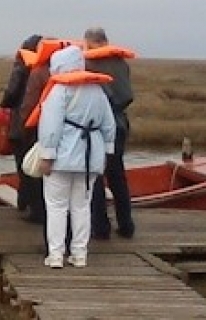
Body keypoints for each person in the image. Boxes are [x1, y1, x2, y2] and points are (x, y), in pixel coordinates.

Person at [29, 44, 115, 268]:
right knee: (81, 207)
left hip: (62, 158)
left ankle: (56, 254)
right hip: (90, 159)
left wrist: (47, 155)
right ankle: (80, 254)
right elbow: (109, 125)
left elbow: (50, 127)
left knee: (56, 206)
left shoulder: (59, 90)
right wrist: (106, 152)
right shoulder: (98, 90)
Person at [83, 27, 137, 239]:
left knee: (95, 176)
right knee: (117, 176)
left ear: (94, 42)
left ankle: (101, 227)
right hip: (121, 125)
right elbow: (126, 96)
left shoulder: (92, 63)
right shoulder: (121, 63)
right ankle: (126, 225)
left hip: (100, 126)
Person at [17, 37, 72, 224]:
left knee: (36, 171)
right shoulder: (75, 76)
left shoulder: (38, 72)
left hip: (40, 128)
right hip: (70, 133)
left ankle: (38, 212)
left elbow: (29, 102)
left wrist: (23, 125)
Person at [0, 34, 43, 214]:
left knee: (24, 165)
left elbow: (12, 91)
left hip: (22, 121)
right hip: (43, 123)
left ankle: (28, 206)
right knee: (38, 165)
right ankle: (32, 205)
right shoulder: (51, 65)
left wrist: (4, 105)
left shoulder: (22, 64)